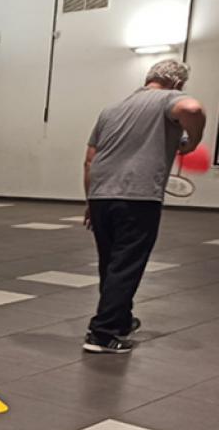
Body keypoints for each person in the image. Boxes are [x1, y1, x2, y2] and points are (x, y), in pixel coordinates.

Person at [82, 59, 206, 354]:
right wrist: (194, 141)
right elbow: (193, 110)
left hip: (101, 196)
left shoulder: (111, 109)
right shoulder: (170, 98)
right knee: (127, 265)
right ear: (178, 84)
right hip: (137, 197)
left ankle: (120, 320)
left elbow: (90, 158)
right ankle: (102, 334)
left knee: (111, 263)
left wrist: (90, 200)